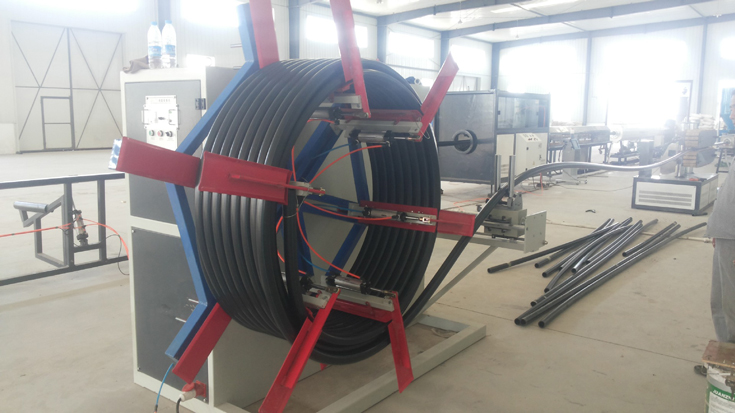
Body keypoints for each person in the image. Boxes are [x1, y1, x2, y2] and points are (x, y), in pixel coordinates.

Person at [695, 92, 735, 377]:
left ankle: (730, 371)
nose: (731, 114)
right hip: (726, 233)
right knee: (720, 301)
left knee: (731, 304)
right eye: (731, 108)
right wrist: (717, 227)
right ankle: (725, 359)